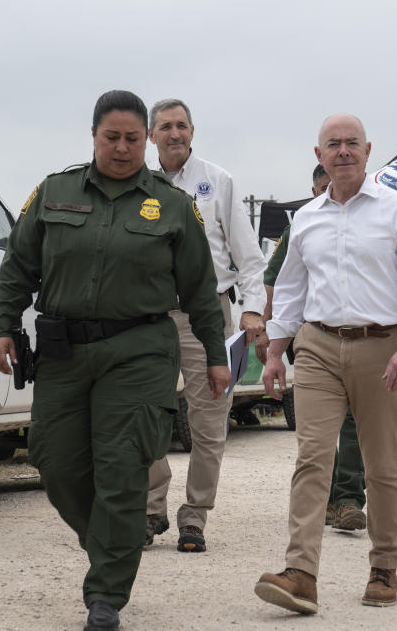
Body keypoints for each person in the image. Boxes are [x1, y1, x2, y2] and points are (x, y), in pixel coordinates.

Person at [0, 91, 229, 631]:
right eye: (111, 137)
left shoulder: (171, 204)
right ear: (93, 136)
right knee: (55, 463)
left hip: (139, 350)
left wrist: (214, 356)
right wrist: (2, 326)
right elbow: (18, 267)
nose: (122, 148)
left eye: (132, 138)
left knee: (122, 470)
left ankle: (106, 596)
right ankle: (111, 547)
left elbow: (200, 288)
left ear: (146, 139)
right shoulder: (53, 191)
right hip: (64, 351)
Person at [254, 114, 397, 614]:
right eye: (332, 144)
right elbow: (291, 289)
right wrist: (276, 351)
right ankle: (301, 573)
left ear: (368, 150)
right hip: (316, 346)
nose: (343, 151)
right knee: (312, 457)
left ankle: (383, 567)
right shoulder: (306, 219)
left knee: (381, 465)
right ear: (318, 155)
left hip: (384, 348)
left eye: (351, 143)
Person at [144, 99, 267, 553]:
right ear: (151, 135)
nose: (174, 134)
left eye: (181, 126)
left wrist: (254, 307)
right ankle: (150, 510)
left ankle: (194, 516)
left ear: (192, 131)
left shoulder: (217, 182)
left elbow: (248, 253)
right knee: (146, 413)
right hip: (150, 316)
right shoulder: (139, 184)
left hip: (207, 314)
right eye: (165, 127)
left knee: (209, 419)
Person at [257, 164, 368, 531]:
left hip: (362, 338)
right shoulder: (302, 224)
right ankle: (328, 497)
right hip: (310, 338)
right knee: (319, 427)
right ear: (313, 188)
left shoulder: (372, 219)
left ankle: (348, 498)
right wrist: (269, 339)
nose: (329, 191)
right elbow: (274, 284)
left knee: (355, 421)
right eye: (323, 187)